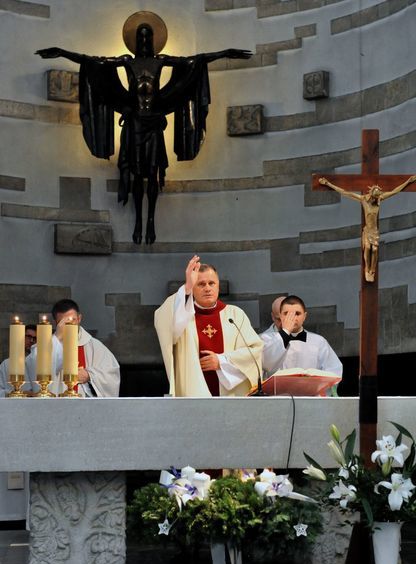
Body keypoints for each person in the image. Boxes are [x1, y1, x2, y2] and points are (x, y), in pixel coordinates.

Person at [36, 11, 251, 245]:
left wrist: (224, 53)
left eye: (148, 37)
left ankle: (150, 221)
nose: (145, 41)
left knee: (154, 171)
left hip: (154, 123)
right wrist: (62, 52)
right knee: (138, 174)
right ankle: (139, 219)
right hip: (135, 123)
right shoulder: (127, 61)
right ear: (135, 41)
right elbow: (94, 62)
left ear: (154, 40)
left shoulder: (161, 60)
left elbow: (194, 61)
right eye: (141, 37)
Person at [154, 255, 263, 397]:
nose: (207, 288)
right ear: (193, 288)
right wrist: (186, 287)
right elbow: (164, 322)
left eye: (212, 283)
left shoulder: (235, 315)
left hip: (231, 397)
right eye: (201, 284)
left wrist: (222, 362)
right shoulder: (183, 315)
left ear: (218, 286)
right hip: (193, 394)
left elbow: (254, 351)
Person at [319, 175, 416, 282]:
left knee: (374, 250)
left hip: (374, 231)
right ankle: (367, 268)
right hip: (367, 230)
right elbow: (345, 192)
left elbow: (394, 191)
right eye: (375, 196)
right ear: (371, 194)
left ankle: (372, 270)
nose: (377, 198)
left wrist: (408, 181)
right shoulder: (363, 200)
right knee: (368, 248)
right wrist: (328, 184)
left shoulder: (379, 200)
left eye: (378, 196)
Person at [26, 299, 120, 397]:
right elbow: (35, 365)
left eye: (73, 320)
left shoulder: (95, 346)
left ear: (79, 318)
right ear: (56, 323)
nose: (69, 325)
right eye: (63, 322)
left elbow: (112, 374)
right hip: (56, 404)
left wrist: (89, 375)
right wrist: (57, 337)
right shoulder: (47, 345)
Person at [260, 295, 343, 380]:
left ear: (304, 316)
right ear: (276, 316)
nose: (290, 320)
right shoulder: (263, 340)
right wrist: (285, 332)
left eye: (296, 314)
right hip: (276, 389)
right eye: (285, 315)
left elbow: (334, 371)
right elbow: (264, 364)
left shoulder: (318, 341)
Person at [0, 324, 37, 397]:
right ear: (21, 337)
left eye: (35, 338)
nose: (32, 341)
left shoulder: (43, 365)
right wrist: (18, 393)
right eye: (28, 337)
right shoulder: (6, 364)